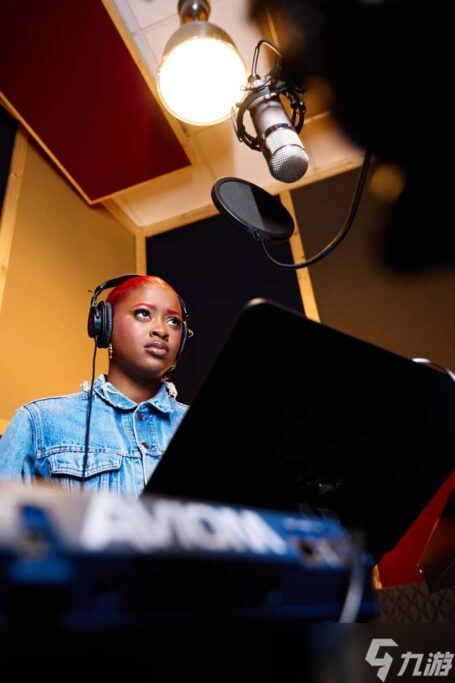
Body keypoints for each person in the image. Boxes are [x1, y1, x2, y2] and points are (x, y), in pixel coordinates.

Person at [0, 275, 191, 496]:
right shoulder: (37, 423)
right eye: (143, 313)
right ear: (104, 325)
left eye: (173, 321)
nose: (162, 330)